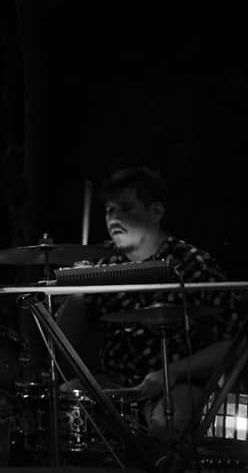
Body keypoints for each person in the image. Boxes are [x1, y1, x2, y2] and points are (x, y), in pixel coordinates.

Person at [57, 166, 243, 443]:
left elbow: (233, 344)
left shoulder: (192, 265)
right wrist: (76, 294)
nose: (114, 218)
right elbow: (61, 344)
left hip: (178, 382)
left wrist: (172, 372)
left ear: (155, 212)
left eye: (126, 209)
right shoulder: (103, 265)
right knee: (66, 400)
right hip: (117, 384)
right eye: (109, 211)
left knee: (167, 421)